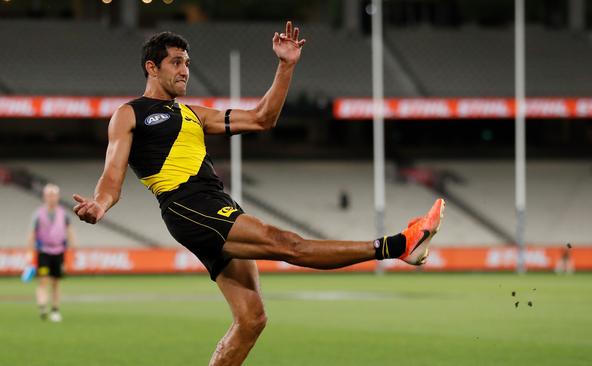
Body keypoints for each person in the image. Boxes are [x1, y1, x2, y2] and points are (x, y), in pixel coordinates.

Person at [72, 22, 445, 366]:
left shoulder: (194, 114)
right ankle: (399, 246)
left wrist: (286, 66)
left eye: (187, 62)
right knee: (287, 244)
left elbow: (263, 118)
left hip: (215, 202)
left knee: (252, 320)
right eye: (176, 62)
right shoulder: (129, 113)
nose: (185, 70)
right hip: (188, 206)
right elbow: (111, 177)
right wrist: (99, 205)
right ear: (152, 68)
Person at [27, 183, 76, 322]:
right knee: (43, 280)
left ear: (58, 197)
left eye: (54, 195)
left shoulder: (63, 214)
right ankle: (43, 306)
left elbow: (70, 230)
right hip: (43, 251)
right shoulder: (38, 214)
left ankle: (55, 310)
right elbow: (31, 233)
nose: (51, 198)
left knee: (56, 282)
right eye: (49, 195)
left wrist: (73, 248)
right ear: (44, 197)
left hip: (59, 251)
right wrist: (29, 252)